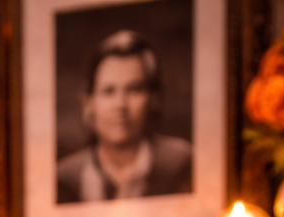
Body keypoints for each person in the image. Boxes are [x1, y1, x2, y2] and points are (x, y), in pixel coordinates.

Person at [57, 30, 193, 204]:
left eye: (134, 89)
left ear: (154, 98)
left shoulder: (181, 164)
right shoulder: (63, 178)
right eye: (108, 91)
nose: (120, 105)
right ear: (88, 102)